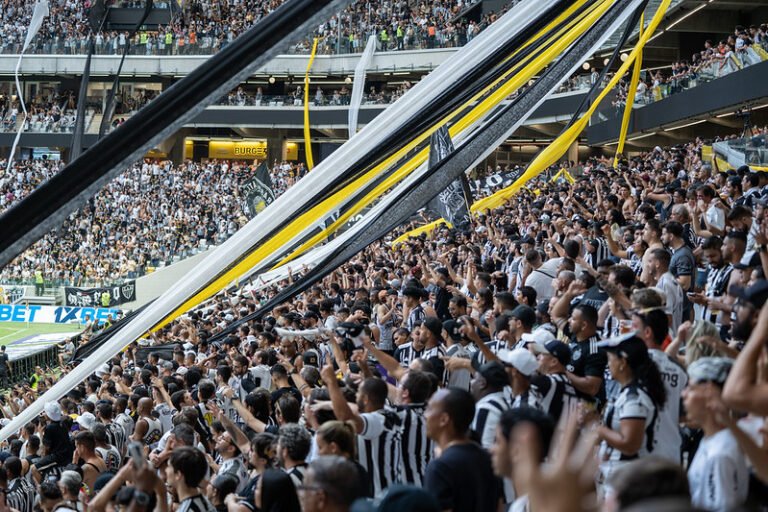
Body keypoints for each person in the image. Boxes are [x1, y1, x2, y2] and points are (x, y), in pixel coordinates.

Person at [595, 334, 667, 492]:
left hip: (627, 478)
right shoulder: (626, 393)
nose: (608, 365)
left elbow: (630, 444)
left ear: (622, 362)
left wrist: (600, 430)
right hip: (619, 476)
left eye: (610, 359)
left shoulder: (634, 399)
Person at [321, 364, 401, 497]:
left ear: (365, 399)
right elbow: (375, 388)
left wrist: (331, 382)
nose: (356, 395)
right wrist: (365, 368)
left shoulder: (376, 420)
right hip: (388, 490)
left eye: (359, 393)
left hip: (378, 496)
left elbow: (346, 417)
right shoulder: (388, 411)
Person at [684, 357, 749, 511]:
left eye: (691, 388)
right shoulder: (714, 440)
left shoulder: (720, 453)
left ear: (710, 394)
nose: (684, 394)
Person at [424, 388, 500, 512]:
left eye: (429, 409)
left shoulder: (440, 467)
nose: (425, 415)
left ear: (444, 419)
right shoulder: (489, 459)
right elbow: (499, 506)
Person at [490, 408, 555, 512]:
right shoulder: (519, 505)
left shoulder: (550, 498)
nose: (491, 450)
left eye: (497, 441)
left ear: (518, 448)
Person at [166, 447, 218, 512]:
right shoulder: (205, 502)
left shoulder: (187, 509)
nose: (166, 470)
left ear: (178, 474)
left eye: (169, 466)